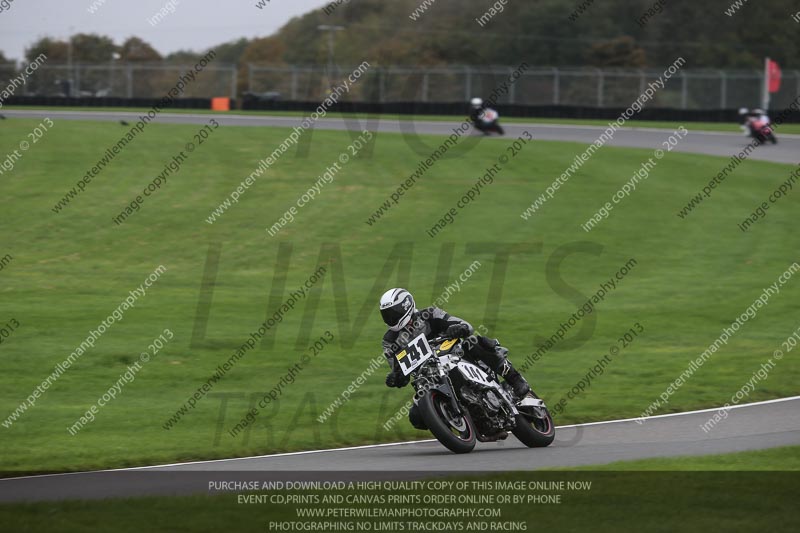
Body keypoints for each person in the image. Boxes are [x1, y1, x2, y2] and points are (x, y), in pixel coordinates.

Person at [379, 288, 530, 430]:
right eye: (386, 314)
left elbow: (464, 325)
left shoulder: (429, 315)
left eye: (393, 312)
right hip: (428, 377)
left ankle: (515, 379)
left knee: (474, 341)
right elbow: (398, 369)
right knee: (416, 417)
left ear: (406, 306)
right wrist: (396, 377)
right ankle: (457, 419)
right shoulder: (389, 341)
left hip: (455, 355)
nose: (390, 318)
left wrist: (458, 328)